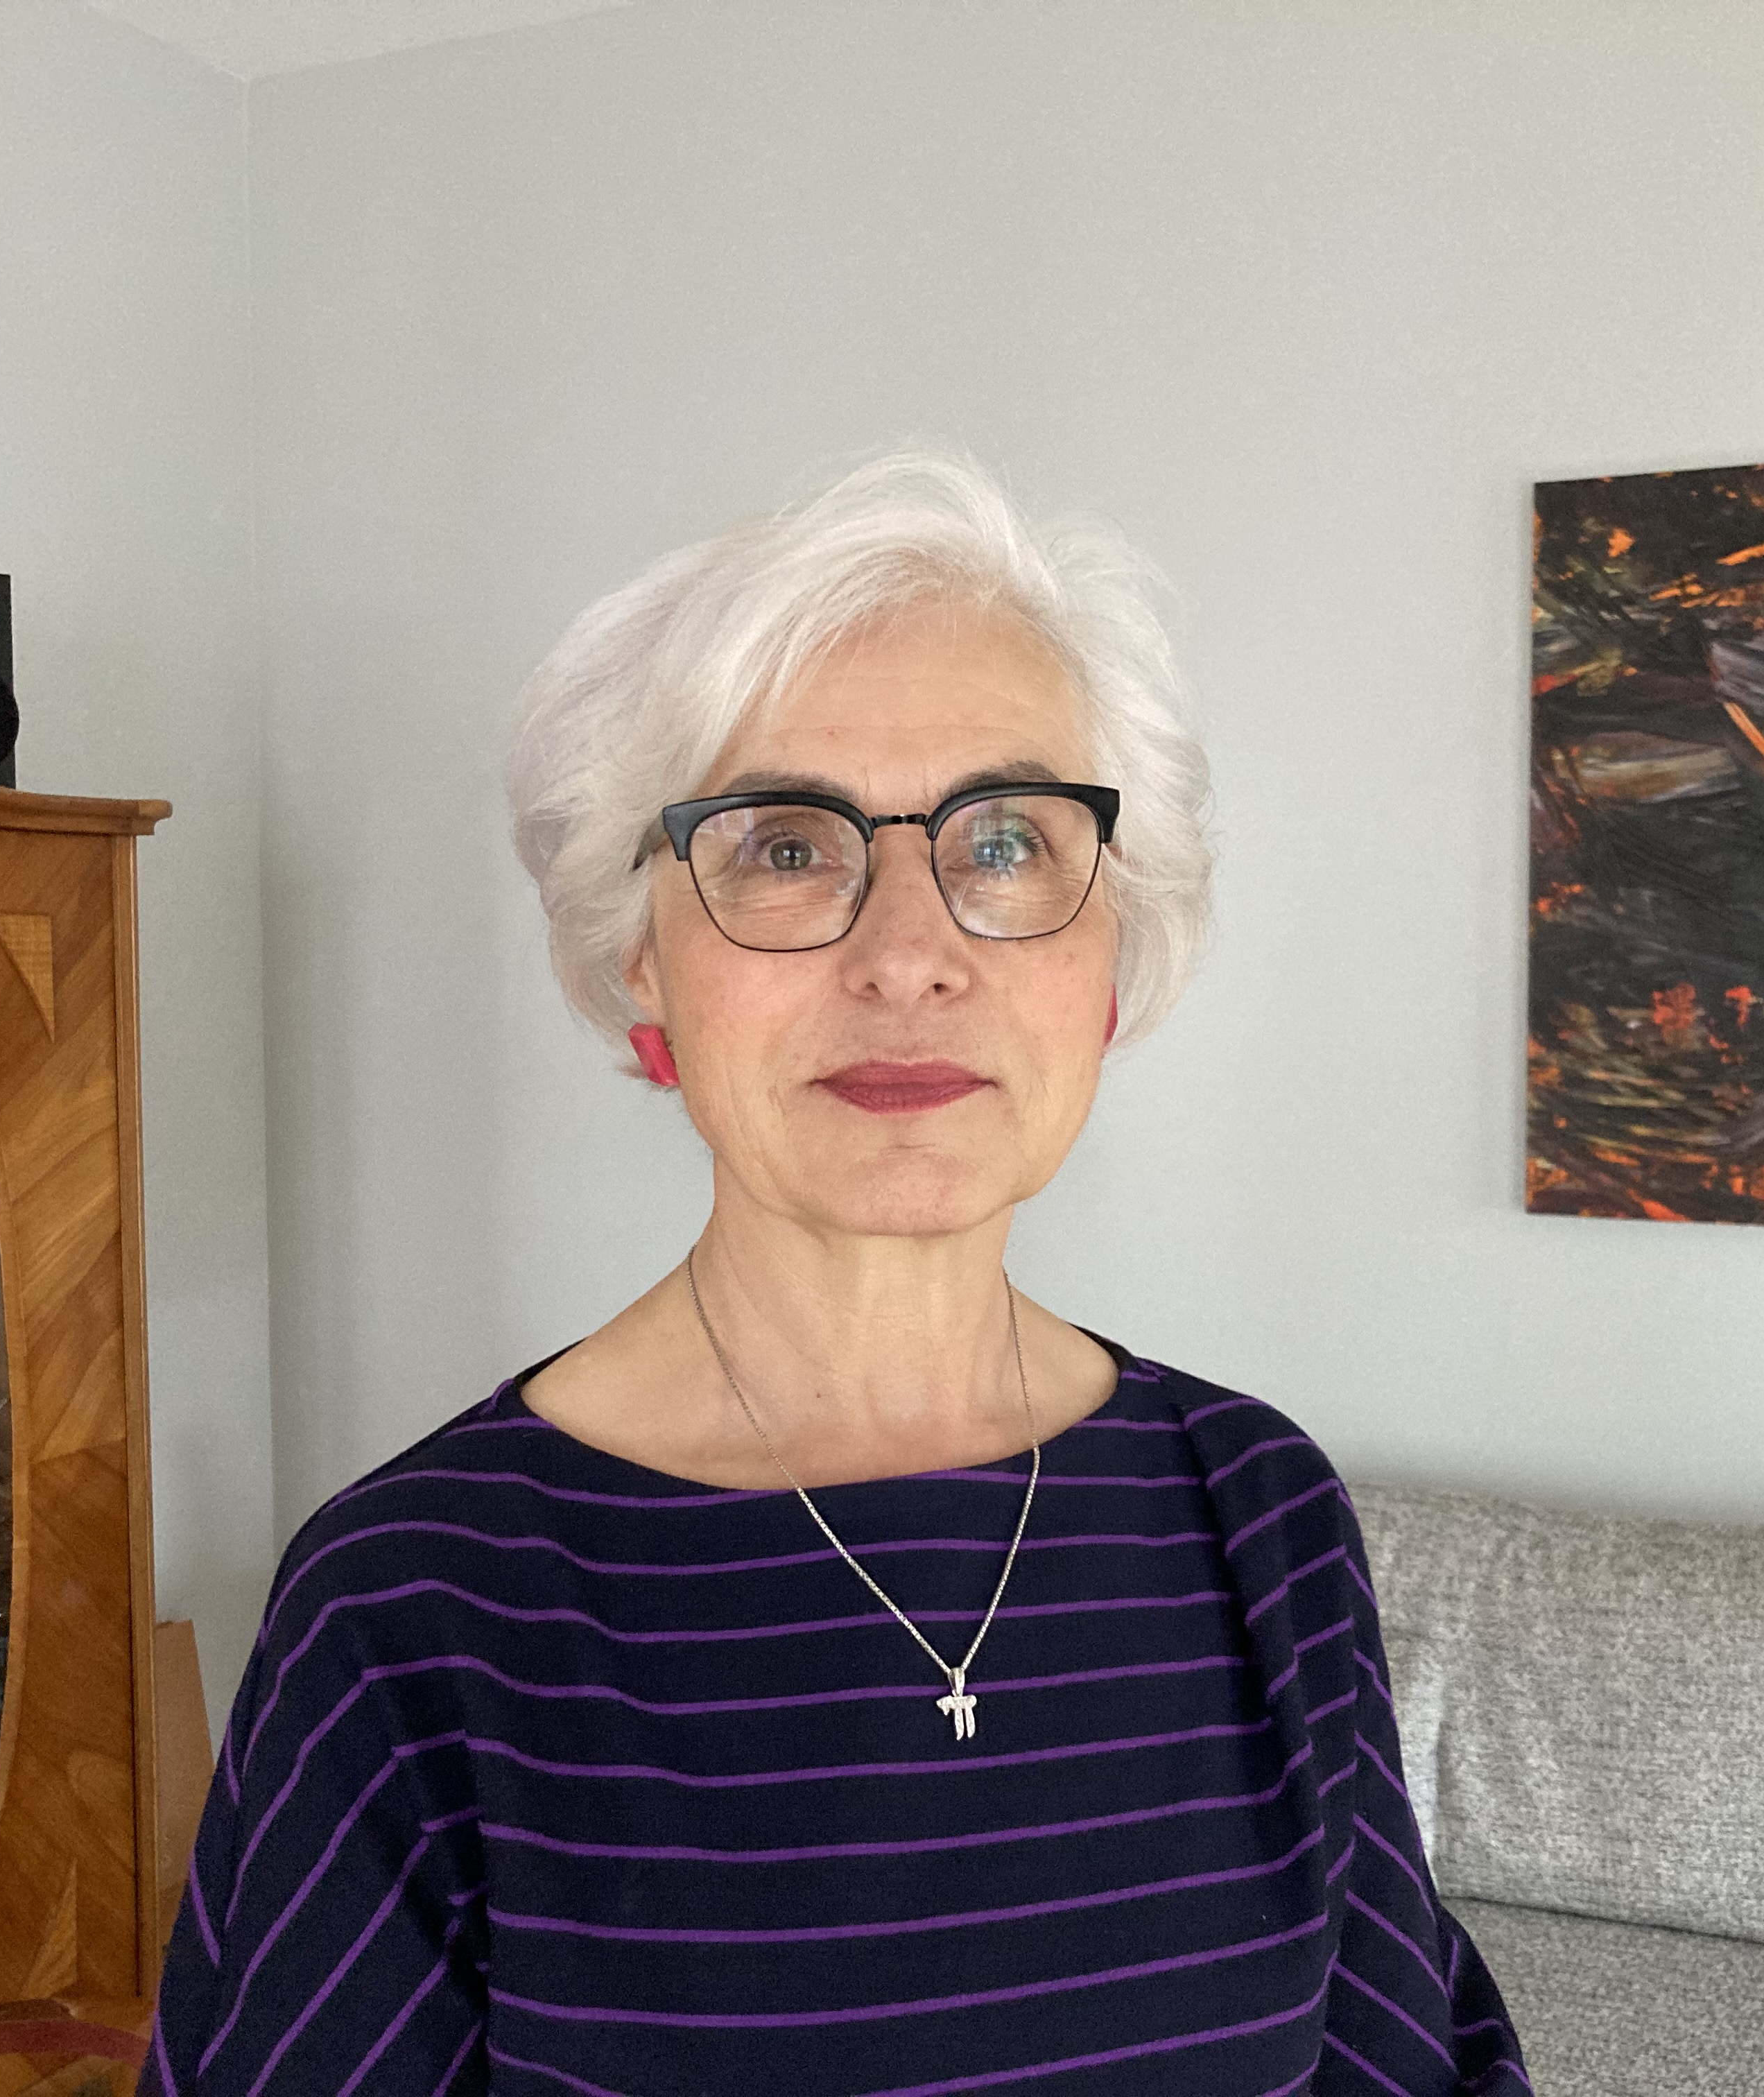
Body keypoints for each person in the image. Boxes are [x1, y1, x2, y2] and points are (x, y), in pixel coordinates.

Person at [151, 453, 1527, 2094]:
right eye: (787, 847)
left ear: (1114, 955)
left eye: (1005, 840)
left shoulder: (1258, 1515)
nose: (908, 955)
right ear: (638, 962)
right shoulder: (409, 1607)